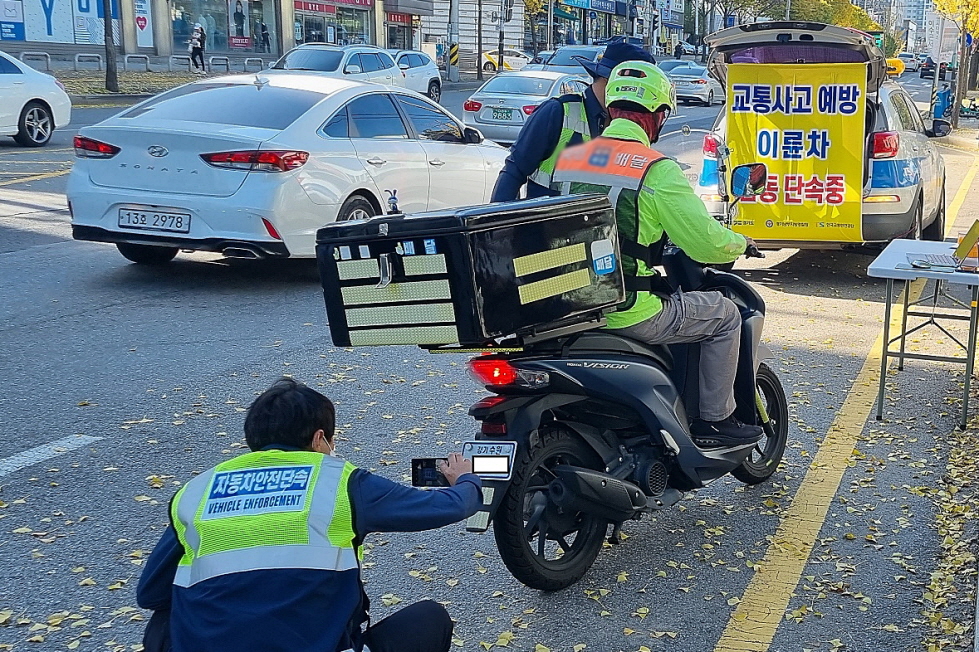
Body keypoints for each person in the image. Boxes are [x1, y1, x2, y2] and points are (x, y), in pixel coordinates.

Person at [136, 378, 481, 652]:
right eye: (330, 440)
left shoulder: (198, 491)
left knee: (165, 620)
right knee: (430, 619)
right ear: (319, 439)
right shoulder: (340, 483)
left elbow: (150, 595)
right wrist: (466, 479)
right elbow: (450, 506)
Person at [551, 61, 764, 448]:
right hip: (628, 309)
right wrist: (739, 242)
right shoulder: (656, 170)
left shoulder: (574, 157)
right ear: (659, 116)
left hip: (570, 304)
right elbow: (704, 242)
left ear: (612, 108)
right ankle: (715, 421)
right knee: (726, 315)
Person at [490, 42, 656, 202]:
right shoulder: (557, 112)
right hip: (547, 227)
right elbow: (514, 171)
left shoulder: (631, 123)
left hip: (600, 228)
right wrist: (497, 224)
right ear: (615, 82)